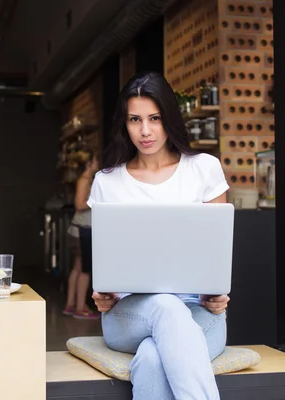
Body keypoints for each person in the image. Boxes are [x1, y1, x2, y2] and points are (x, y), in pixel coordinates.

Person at [87, 71, 231, 399]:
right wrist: (102, 294)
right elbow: (106, 263)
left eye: (155, 118)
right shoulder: (107, 182)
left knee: (152, 358)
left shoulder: (204, 168)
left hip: (199, 312)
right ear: (124, 123)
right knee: (165, 305)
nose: (146, 131)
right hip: (129, 315)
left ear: (169, 117)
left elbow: (216, 255)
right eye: (135, 119)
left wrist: (217, 292)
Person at [63, 155, 100, 320]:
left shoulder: (86, 179)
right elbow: (79, 204)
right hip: (83, 230)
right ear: (90, 163)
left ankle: (71, 305)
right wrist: (97, 201)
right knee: (85, 270)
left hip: (77, 230)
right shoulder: (85, 179)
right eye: (97, 161)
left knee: (77, 268)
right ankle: (80, 307)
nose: (99, 164)